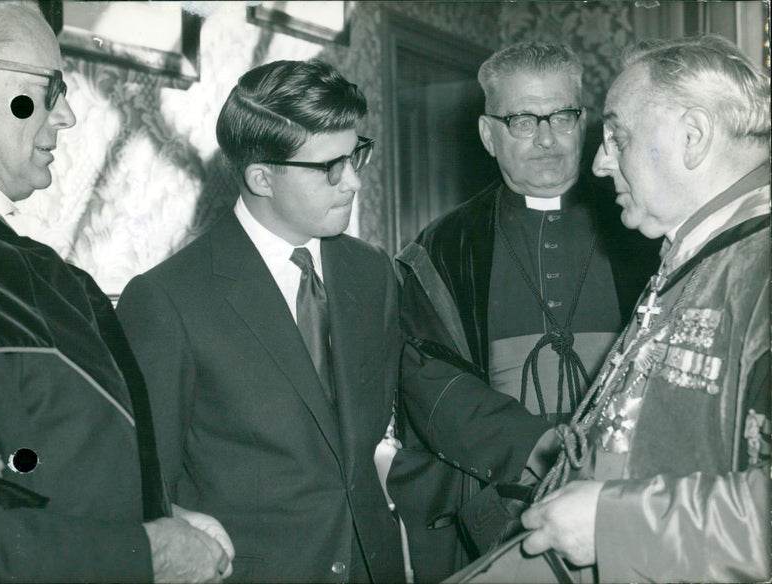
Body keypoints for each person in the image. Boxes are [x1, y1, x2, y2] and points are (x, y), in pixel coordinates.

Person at [451, 34, 771, 584]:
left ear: (692, 137)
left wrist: (613, 522)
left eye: (617, 137)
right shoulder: (696, 253)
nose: (599, 163)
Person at [0, 2, 234, 582]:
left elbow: (33, 463)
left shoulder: (41, 272)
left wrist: (158, 515)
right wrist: (148, 553)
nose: (66, 115)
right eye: (48, 87)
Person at [116, 59, 405, 583]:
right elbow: (147, 488)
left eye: (356, 154)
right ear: (261, 178)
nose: (355, 181)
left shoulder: (374, 273)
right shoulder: (167, 299)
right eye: (330, 167)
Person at [387, 41, 659, 581]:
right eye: (522, 120)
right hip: (500, 492)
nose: (546, 137)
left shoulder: (647, 224)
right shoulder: (443, 246)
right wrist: (533, 446)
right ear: (489, 135)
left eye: (562, 115)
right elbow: (428, 379)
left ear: (585, 123)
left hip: (628, 487)